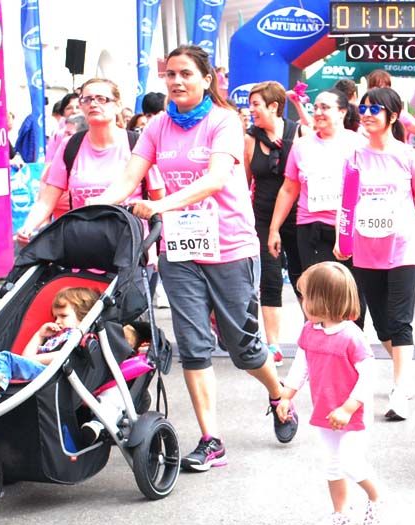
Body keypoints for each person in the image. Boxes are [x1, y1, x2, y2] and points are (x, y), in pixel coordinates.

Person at [91, 44, 295, 470]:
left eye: (186, 74)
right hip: (181, 251)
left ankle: (278, 395)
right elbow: (128, 178)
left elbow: (216, 179)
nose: (177, 81)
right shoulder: (157, 126)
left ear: (206, 79)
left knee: (243, 348)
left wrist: (160, 206)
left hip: (230, 246)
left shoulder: (224, 122)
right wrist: (91, 211)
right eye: (171, 74)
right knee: (194, 346)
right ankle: (211, 440)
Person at [336, 86, 415, 421]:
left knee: (400, 320)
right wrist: (342, 239)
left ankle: (399, 391)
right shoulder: (354, 156)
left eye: (375, 109)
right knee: (382, 324)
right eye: (363, 109)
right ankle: (405, 371)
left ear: (393, 116)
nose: (367, 115)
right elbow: (347, 203)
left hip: (403, 248)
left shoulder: (409, 156)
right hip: (366, 250)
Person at [276, 262, 381, 525]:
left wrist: (348, 408)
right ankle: (340, 514)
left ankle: (376, 497)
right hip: (325, 411)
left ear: (322, 300)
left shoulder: (351, 337)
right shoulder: (309, 331)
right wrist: (286, 396)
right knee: (332, 465)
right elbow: (301, 366)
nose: (302, 302)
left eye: (305, 297)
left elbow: (368, 376)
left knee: (350, 461)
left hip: (353, 414)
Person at [15, 77, 165, 245]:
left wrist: (161, 245)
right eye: (87, 99)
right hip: (84, 246)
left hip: (132, 249)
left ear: (118, 105)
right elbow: (46, 201)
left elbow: (159, 199)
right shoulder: (70, 146)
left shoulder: (137, 143)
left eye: (102, 99)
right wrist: (28, 227)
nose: (93, 104)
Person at [0, 287, 99, 410]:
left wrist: (32, 359)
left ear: (84, 316)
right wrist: (40, 335)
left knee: (5, 358)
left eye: (63, 316)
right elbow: (26, 357)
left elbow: (63, 356)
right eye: (55, 317)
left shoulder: (79, 336)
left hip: (55, 377)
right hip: (41, 372)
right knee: (0, 360)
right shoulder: (56, 336)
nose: (57, 321)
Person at [270, 88, 362, 273]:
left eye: (325, 107)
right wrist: (274, 229)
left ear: (342, 112)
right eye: (316, 107)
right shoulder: (301, 145)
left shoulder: (358, 144)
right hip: (310, 226)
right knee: (316, 285)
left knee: (349, 286)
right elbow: (288, 189)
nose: (318, 112)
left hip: (349, 227)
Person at [244, 82, 303, 366]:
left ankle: (314, 336)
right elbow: (243, 183)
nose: (251, 110)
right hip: (263, 218)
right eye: (250, 104)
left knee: (303, 277)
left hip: (299, 215)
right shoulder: (249, 139)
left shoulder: (298, 133)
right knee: (269, 279)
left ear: (274, 106)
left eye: (256, 104)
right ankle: (273, 344)